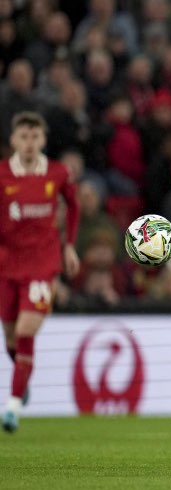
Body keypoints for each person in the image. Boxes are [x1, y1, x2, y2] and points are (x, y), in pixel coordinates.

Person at [0, 111, 80, 433]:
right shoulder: (3, 175)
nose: (30, 143)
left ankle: (13, 407)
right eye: (24, 137)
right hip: (7, 265)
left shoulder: (58, 173)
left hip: (43, 266)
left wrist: (69, 245)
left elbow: (73, 206)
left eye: (35, 137)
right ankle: (24, 377)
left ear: (43, 140)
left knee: (26, 331)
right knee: (9, 336)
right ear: (13, 141)